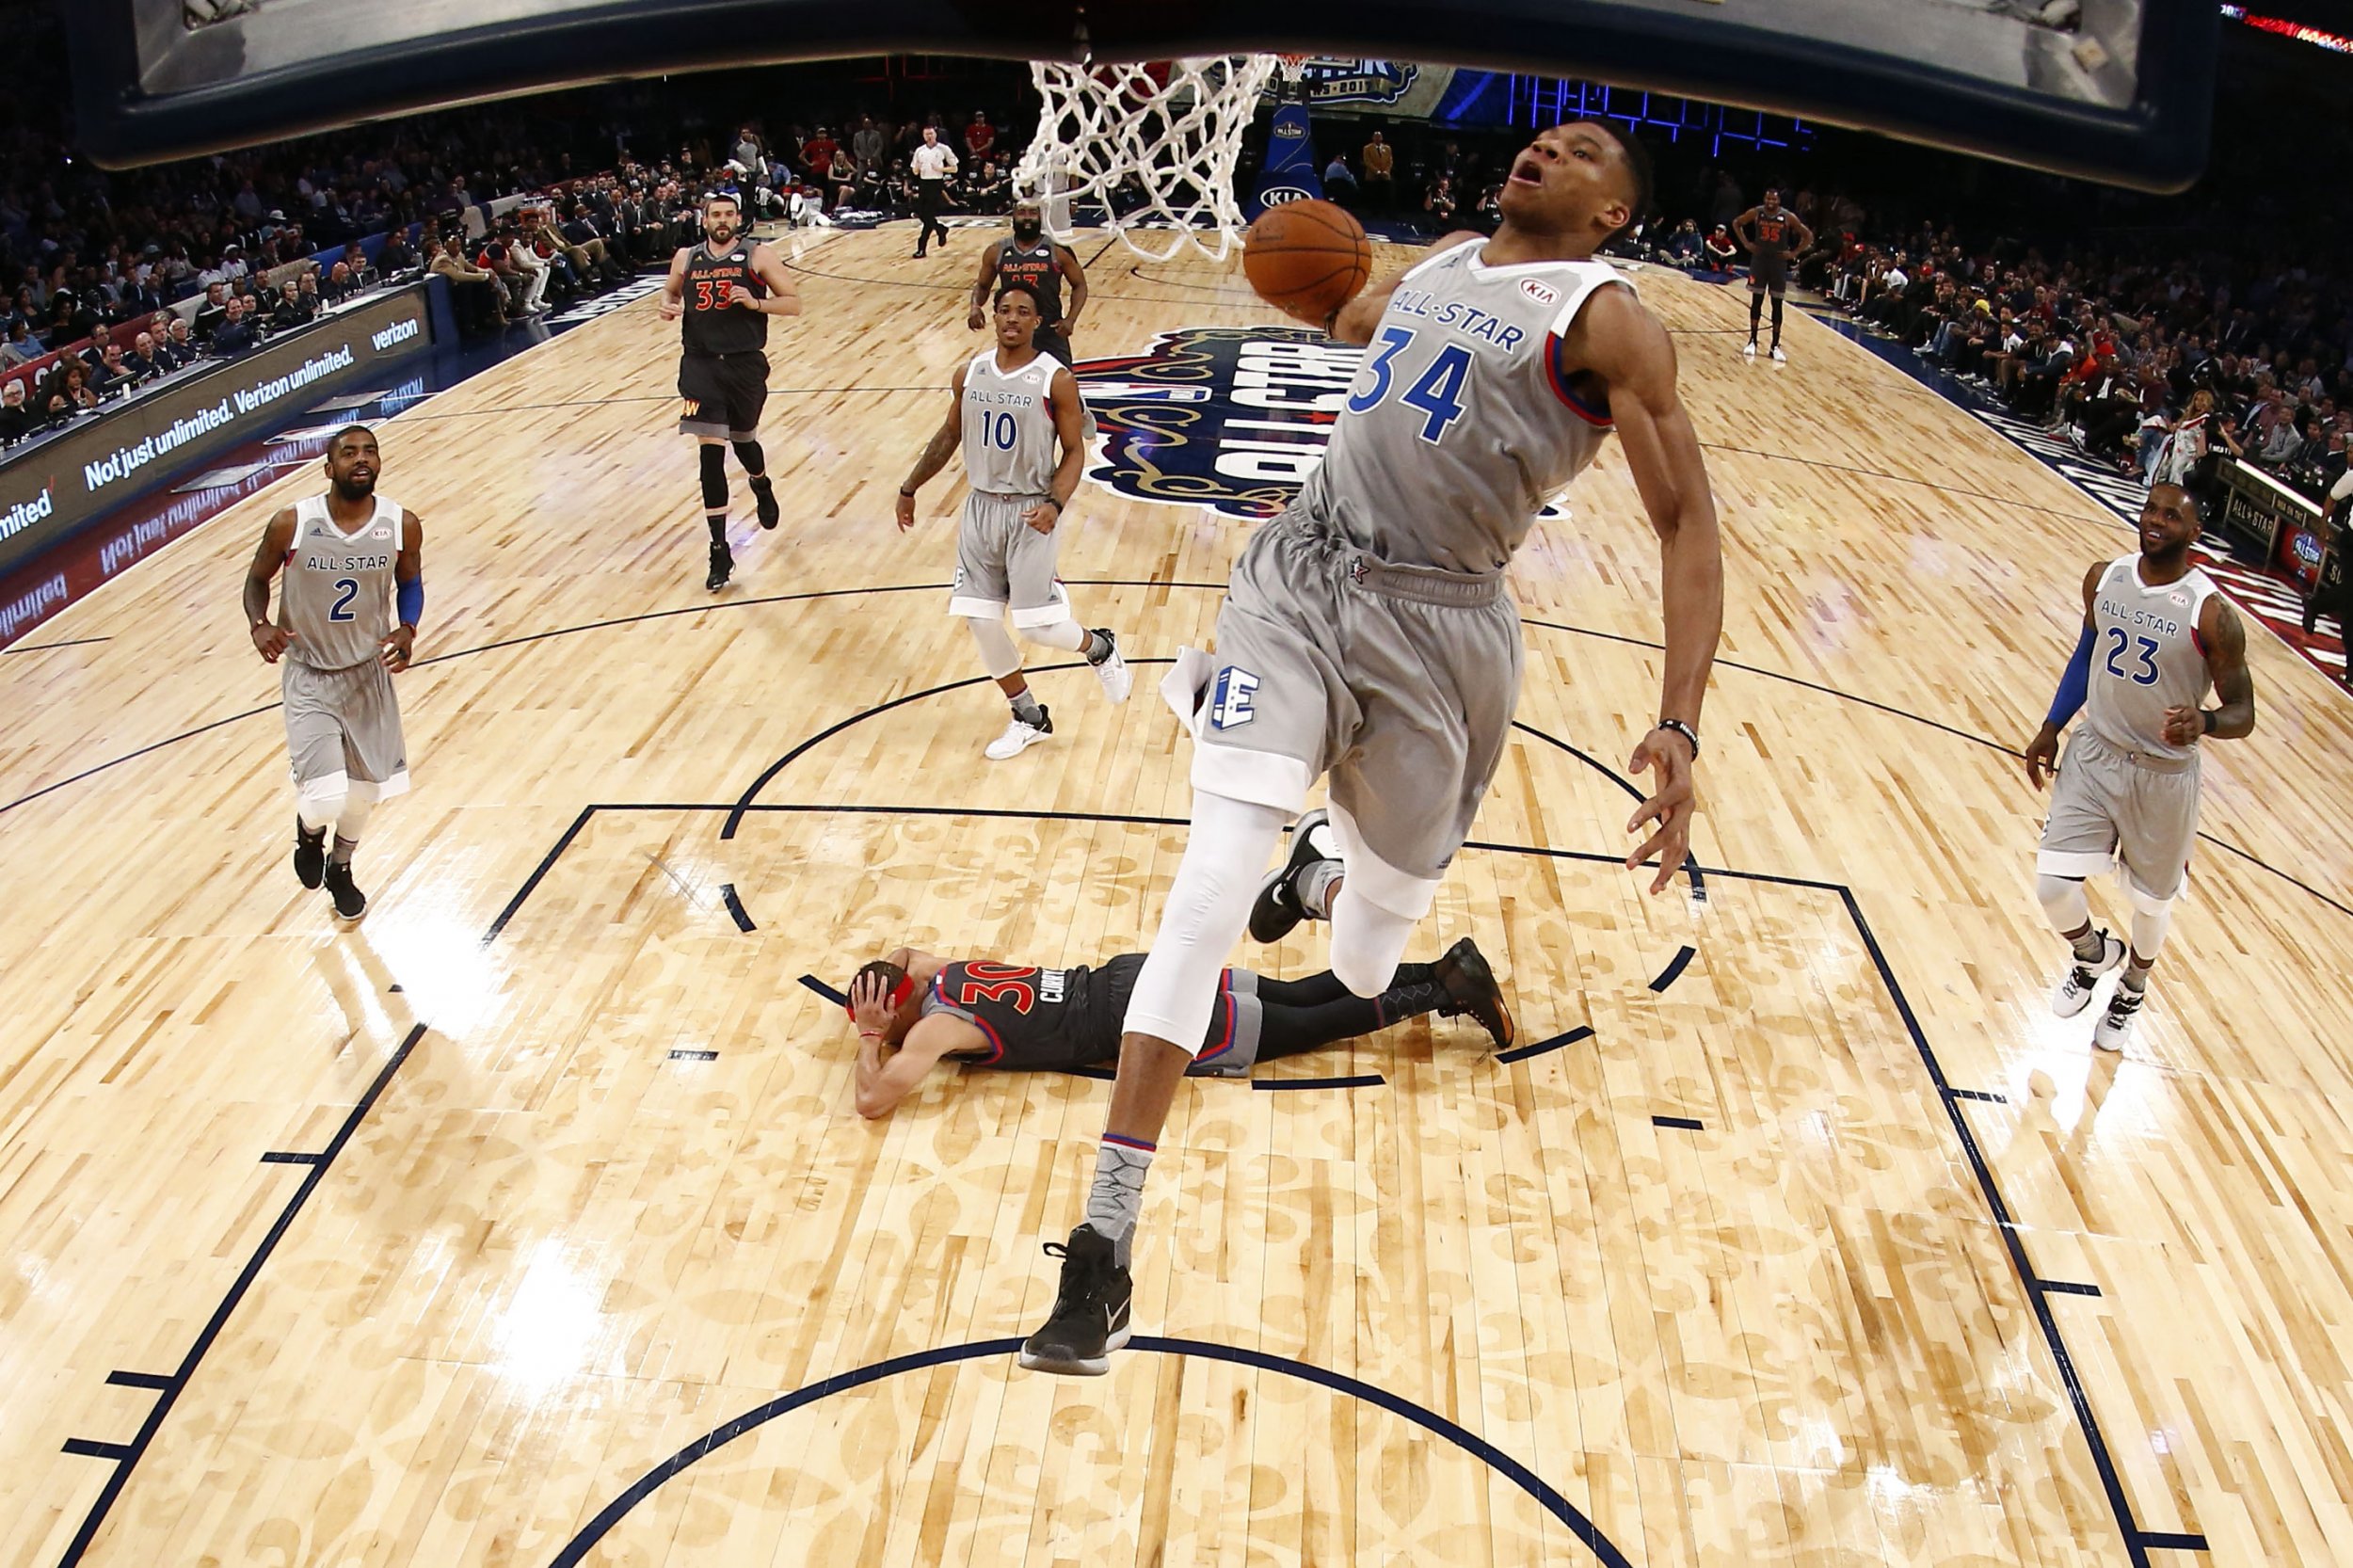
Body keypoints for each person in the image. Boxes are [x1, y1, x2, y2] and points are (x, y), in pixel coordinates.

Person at [1018, 120, 1722, 1376]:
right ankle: (1104, 1245)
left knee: (1364, 955)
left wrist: (1678, 719)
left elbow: (1688, 531)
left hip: (1442, 635)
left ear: (1617, 211)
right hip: (1301, 575)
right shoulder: (1445, 262)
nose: (1548, 151)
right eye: (1545, 138)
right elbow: (1370, 333)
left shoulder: (1609, 322)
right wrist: (1314, 287)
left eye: (1584, 153)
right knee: (1205, 888)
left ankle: (1325, 874)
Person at [2023, 484, 2255, 1051]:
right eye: (2152, 509)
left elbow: (2243, 712)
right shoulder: (2105, 577)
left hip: (2164, 774)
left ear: (2195, 531)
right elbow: (2086, 654)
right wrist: (2053, 724)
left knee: (2151, 905)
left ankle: (2133, 985)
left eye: (2172, 515)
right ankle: (2094, 954)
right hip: (2095, 751)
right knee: (2053, 884)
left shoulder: (2212, 614)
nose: (2155, 521)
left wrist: (2205, 723)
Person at [840, 931, 1513, 1117]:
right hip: (1128, 974)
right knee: (1298, 993)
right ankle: (1441, 967)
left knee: (1309, 1027)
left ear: (898, 1007)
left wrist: (874, 1039)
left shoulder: (934, 1028)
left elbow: (874, 1101)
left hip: (1140, 1019)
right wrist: (887, 987)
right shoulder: (939, 972)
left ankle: (1439, 993)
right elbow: (901, 952)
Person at [897, 280, 1129, 758]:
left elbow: (1073, 451)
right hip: (980, 508)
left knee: (1035, 626)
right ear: (994, 315)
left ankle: (1099, 647)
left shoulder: (1055, 378)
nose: (1011, 318)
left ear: (1037, 322)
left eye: (1023, 311)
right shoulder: (971, 372)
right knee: (979, 620)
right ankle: (1028, 716)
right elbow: (947, 436)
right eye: (1004, 310)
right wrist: (909, 486)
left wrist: (1056, 504)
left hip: (1031, 510)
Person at [240, 426, 424, 921]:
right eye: (348, 453)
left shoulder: (400, 524)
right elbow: (257, 580)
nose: (360, 459)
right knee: (324, 801)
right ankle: (308, 835)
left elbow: (411, 582)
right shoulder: (293, 523)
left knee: (365, 794)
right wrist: (259, 625)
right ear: (328, 468)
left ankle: (340, 868)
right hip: (311, 674)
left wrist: (408, 628)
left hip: (368, 674)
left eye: (369, 451)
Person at [659, 191, 801, 591]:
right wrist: (667, 305)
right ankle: (719, 548)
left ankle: (761, 482)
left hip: (744, 365)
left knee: (744, 443)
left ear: (738, 218)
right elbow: (669, 291)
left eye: (728, 214)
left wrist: (756, 304)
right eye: (715, 215)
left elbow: (793, 303)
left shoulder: (758, 256)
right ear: (704, 220)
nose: (722, 220)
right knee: (710, 456)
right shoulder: (686, 258)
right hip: (699, 365)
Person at [966, 198, 1090, 369]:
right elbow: (982, 285)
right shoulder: (997, 251)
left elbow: (1080, 285)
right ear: (1013, 217)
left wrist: (1070, 319)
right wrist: (975, 306)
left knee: (1063, 384)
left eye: (1033, 213)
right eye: (1021, 213)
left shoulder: (1057, 250)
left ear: (1041, 217)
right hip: (1013, 329)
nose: (1027, 218)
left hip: (1050, 330)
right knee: (1013, 384)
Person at [1733, 187, 1812, 361]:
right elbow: (1737, 223)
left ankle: (1775, 346)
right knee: (1756, 301)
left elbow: (1808, 236)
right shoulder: (1757, 213)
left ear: (1779, 201)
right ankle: (1752, 341)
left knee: (1777, 305)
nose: (1770, 202)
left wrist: (1793, 254)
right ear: (1764, 199)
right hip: (1759, 261)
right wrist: (1746, 244)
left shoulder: (1788, 217)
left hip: (1778, 263)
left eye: (1773, 200)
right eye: (1768, 199)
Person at [910, 125, 959, 258]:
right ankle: (940, 229)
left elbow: (954, 169)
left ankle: (921, 248)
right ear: (923, 136)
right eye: (926, 134)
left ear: (935, 134)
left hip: (936, 183)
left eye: (931, 133)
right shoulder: (919, 150)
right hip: (923, 183)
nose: (929, 136)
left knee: (928, 214)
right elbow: (914, 171)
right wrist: (918, 168)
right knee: (921, 213)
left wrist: (940, 169)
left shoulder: (943, 149)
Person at [1360, 131, 1395, 212]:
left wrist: (1386, 171)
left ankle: (1388, 211)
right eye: (1376, 137)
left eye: (1379, 137)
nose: (1377, 138)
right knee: (1373, 194)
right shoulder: (1367, 148)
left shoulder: (1387, 148)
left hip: (1385, 175)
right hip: (1372, 175)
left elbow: (1390, 161)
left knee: (1388, 192)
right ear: (1373, 138)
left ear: (1382, 138)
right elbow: (1367, 161)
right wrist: (1377, 171)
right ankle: (1373, 211)